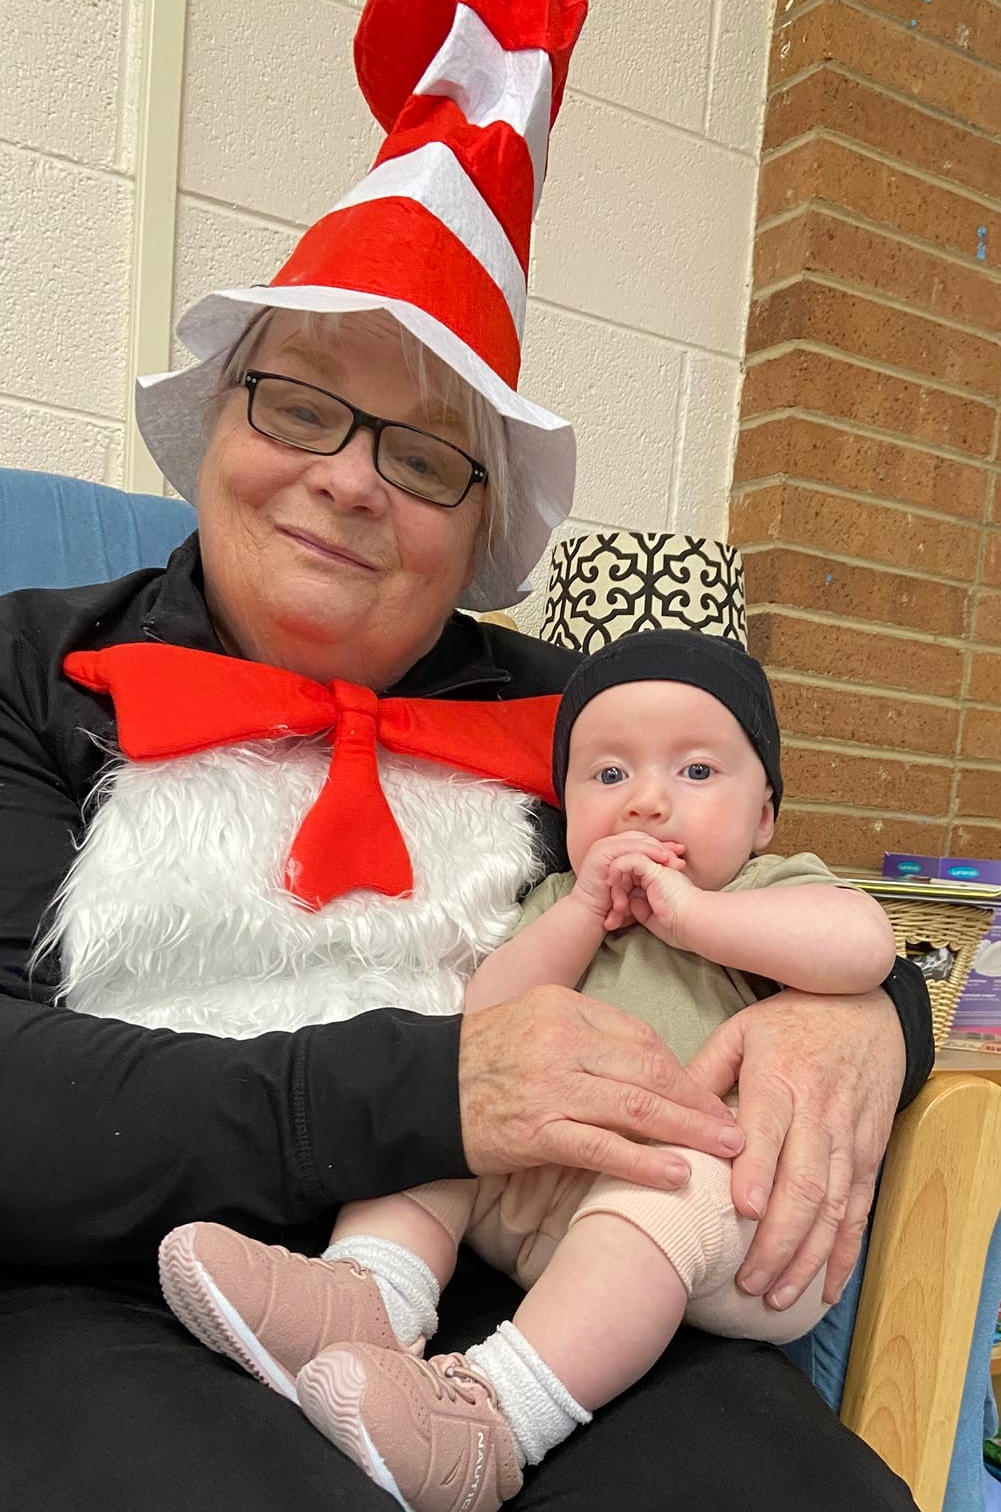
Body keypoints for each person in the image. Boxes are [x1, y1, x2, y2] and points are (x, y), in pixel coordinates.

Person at [0, 0, 931, 1509]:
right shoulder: (12, 667)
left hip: (499, 1319)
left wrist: (854, 1021)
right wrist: (429, 1088)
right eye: (303, 404)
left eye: (425, 453)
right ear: (219, 420)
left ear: (482, 531)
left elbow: (768, 878)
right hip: (46, 1292)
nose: (348, 483)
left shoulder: (568, 724)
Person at [158, 630, 901, 1512]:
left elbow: (865, 946)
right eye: (609, 775)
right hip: (548, 1202)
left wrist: (698, 920)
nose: (647, 805)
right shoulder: (558, 903)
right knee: (453, 1097)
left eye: (697, 773)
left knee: (670, 1189)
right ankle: (367, 1295)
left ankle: (491, 1417)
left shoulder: (768, 889)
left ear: (765, 815)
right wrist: (584, 913)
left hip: (721, 1229)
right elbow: (486, 1022)